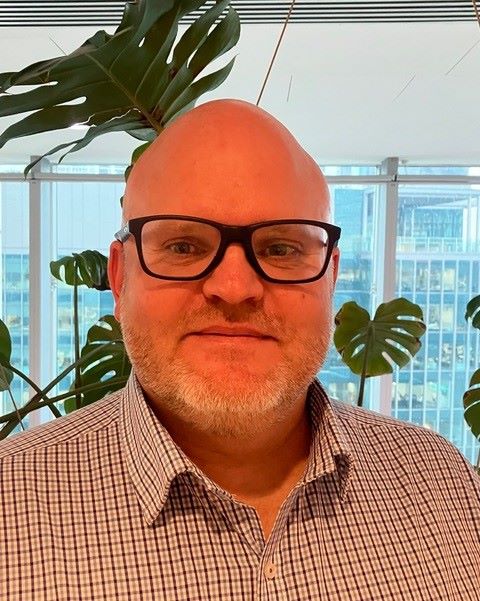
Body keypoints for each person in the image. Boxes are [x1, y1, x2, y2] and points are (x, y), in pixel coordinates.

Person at [1, 99, 479, 601]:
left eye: (281, 249)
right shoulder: (10, 509)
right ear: (120, 280)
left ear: (331, 277)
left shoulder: (443, 487)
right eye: (184, 246)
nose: (233, 287)